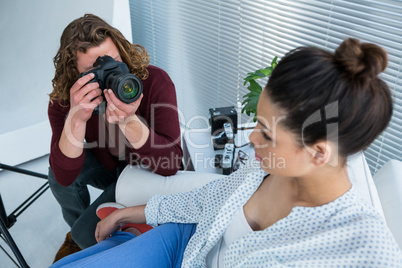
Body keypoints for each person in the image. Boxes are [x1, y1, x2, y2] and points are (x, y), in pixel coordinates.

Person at [51, 38, 402, 267]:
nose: (252, 141)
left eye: (266, 133)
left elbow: (170, 161)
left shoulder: (365, 249)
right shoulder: (270, 164)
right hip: (188, 241)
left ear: (318, 152)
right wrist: (132, 212)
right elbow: (214, 196)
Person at [47, 14, 183, 260]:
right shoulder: (65, 101)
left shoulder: (153, 80)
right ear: (74, 74)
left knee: (86, 234)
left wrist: (129, 121)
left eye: (116, 60)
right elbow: (64, 177)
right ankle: (85, 234)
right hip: (109, 165)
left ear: (123, 50)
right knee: (56, 173)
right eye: (94, 70)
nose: (111, 71)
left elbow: (172, 164)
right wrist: (77, 119)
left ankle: (102, 233)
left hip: (147, 169)